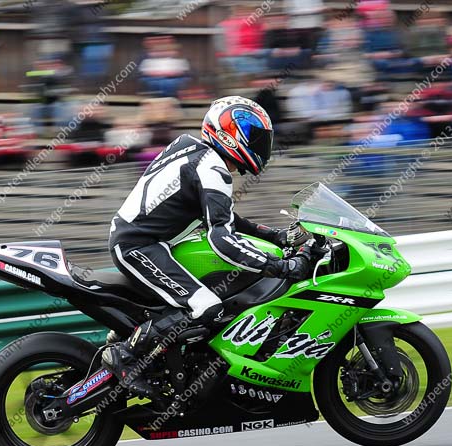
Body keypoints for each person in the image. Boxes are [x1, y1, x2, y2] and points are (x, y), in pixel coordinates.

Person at [101, 96, 318, 394]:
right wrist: (281, 267)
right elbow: (222, 239)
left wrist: (277, 237)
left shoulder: (193, 149)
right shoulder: (212, 168)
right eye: (256, 138)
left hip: (145, 241)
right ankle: (124, 354)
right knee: (206, 307)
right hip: (137, 247)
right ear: (231, 134)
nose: (262, 145)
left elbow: (223, 217)